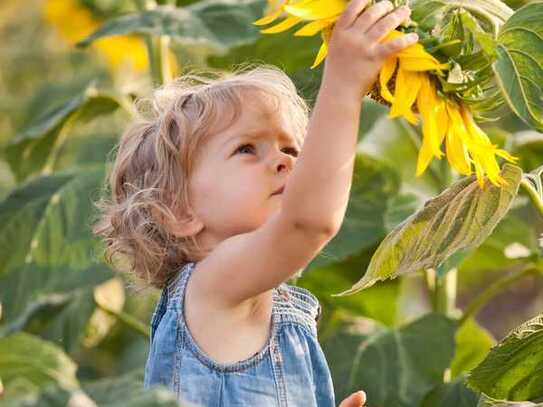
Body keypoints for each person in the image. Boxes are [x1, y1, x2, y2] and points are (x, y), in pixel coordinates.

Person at [93, 0, 417, 405]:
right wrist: (344, 83)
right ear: (180, 211)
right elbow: (309, 222)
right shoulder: (211, 284)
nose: (283, 160)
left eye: (292, 149)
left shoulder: (257, 297)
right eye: (247, 149)